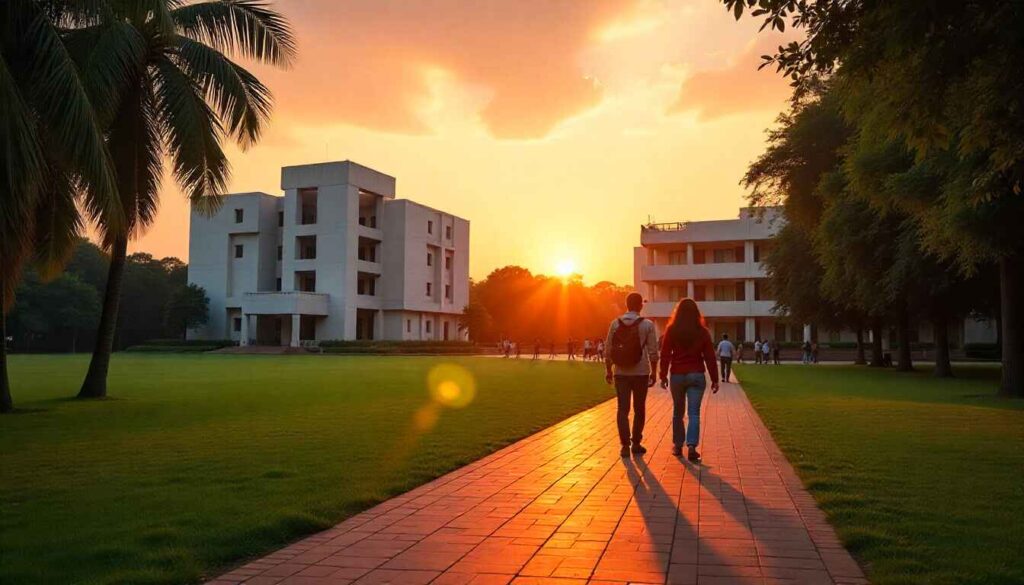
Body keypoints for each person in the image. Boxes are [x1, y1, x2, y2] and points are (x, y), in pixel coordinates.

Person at [659, 298, 719, 463]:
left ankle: (678, 446)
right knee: (694, 413)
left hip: (677, 374)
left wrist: (662, 375)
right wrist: (715, 379)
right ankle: (692, 446)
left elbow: (665, 355)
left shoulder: (671, 331)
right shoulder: (702, 332)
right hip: (696, 374)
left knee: (678, 412)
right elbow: (710, 357)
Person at [605, 292, 659, 458]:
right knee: (639, 408)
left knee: (622, 409)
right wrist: (654, 373)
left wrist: (608, 370)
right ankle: (636, 442)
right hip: (641, 372)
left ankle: (624, 445)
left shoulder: (615, 323)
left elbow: (608, 349)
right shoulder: (648, 325)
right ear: (640, 305)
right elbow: (653, 352)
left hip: (620, 372)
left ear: (626, 305)